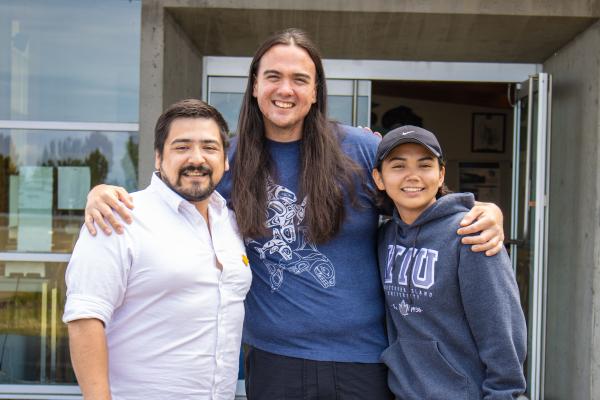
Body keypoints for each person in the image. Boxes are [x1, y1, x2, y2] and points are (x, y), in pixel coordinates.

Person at [84, 29, 505, 399]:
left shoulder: (358, 149)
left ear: (316, 91)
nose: (285, 89)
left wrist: (482, 211)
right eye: (273, 77)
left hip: (364, 360)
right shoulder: (226, 160)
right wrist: (103, 192)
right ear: (253, 86)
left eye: (299, 79)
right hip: (274, 362)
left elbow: (420, 195)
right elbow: (167, 196)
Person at [63, 99, 252, 400]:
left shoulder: (232, 222)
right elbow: (85, 319)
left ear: (226, 160)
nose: (197, 158)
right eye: (182, 147)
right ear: (158, 158)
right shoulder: (119, 218)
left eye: (209, 147)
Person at [372, 125, 526, 399]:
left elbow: (501, 330)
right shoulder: (384, 239)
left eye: (424, 165)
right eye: (398, 166)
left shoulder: (471, 234)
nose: (413, 176)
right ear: (379, 178)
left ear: (441, 174)